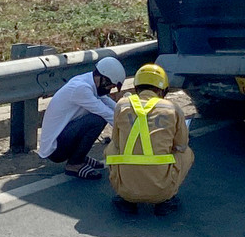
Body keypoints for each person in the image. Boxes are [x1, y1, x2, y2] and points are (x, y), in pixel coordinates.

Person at [105, 63, 193, 215]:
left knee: (112, 148)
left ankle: (126, 198)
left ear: (137, 87)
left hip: (126, 191)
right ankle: (167, 199)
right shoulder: (172, 109)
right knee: (187, 153)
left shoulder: (122, 105)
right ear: (162, 89)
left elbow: (118, 142)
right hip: (161, 191)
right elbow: (181, 146)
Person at [37, 56, 126, 179]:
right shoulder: (81, 89)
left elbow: (110, 105)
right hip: (55, 150)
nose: (110, 90)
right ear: (103, 79)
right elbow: (105, 112)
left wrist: (127, 114)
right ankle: (74, 163)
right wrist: (129, 129)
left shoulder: (88, 82)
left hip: (62, 137)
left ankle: (79, 157)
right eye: (110, 86)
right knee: (97, 120)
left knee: (97, 118)